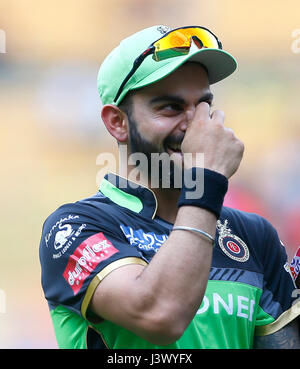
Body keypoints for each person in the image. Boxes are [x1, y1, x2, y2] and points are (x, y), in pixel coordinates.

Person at [39, 25, 300, 349]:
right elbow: (160, 315)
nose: (196, 126)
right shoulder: (75, 228)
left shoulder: (251, 234)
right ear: (117, 122)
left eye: (203, 106)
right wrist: (205, 180)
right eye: (171, 108)